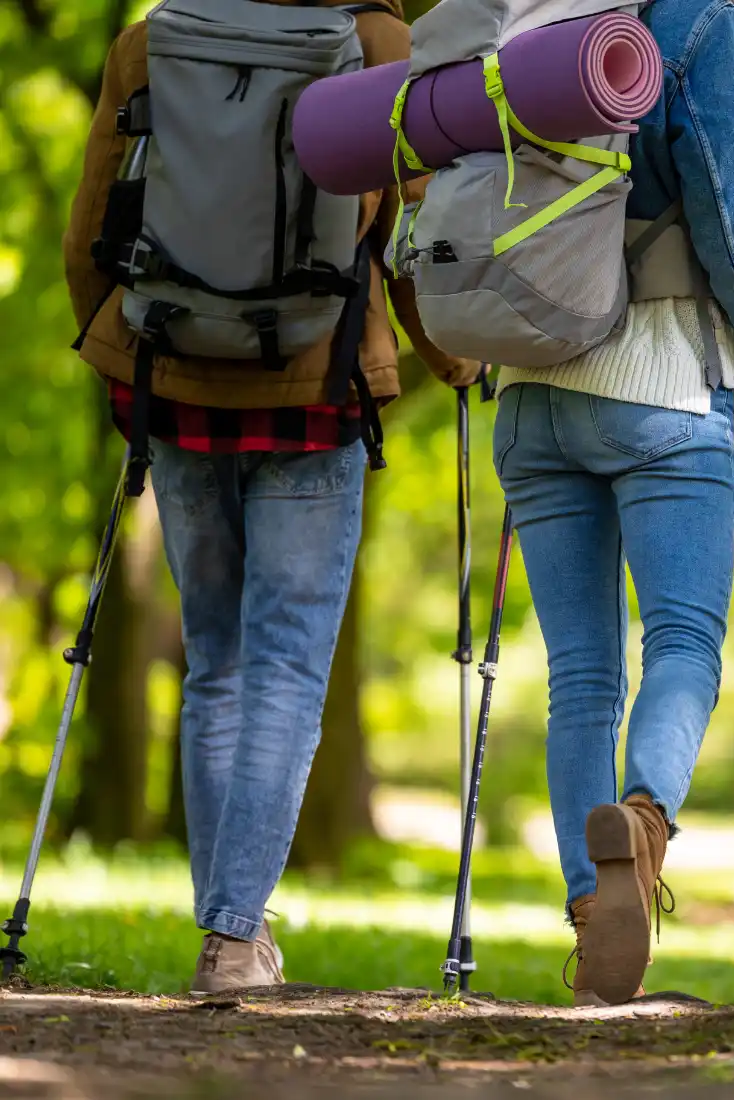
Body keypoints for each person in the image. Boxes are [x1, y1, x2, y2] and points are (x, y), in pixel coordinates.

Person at [63, 0, 477, 995]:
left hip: (176, 379)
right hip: (313, 387)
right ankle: (234, 936)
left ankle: (228, 928)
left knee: (216, 662)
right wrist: (450, 360)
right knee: (285, 665)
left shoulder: (152, 38)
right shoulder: (379, 46)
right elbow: (418, 232)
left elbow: (92, 226)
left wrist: (120, 356)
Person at [492, 0, 734, 1007]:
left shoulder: (517, 11)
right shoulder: (693, 21)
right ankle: (641, 818)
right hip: (661, 378)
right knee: (681, 643)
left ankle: (595, 927)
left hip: (530, 388)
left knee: (579, 673)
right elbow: (728, 212)